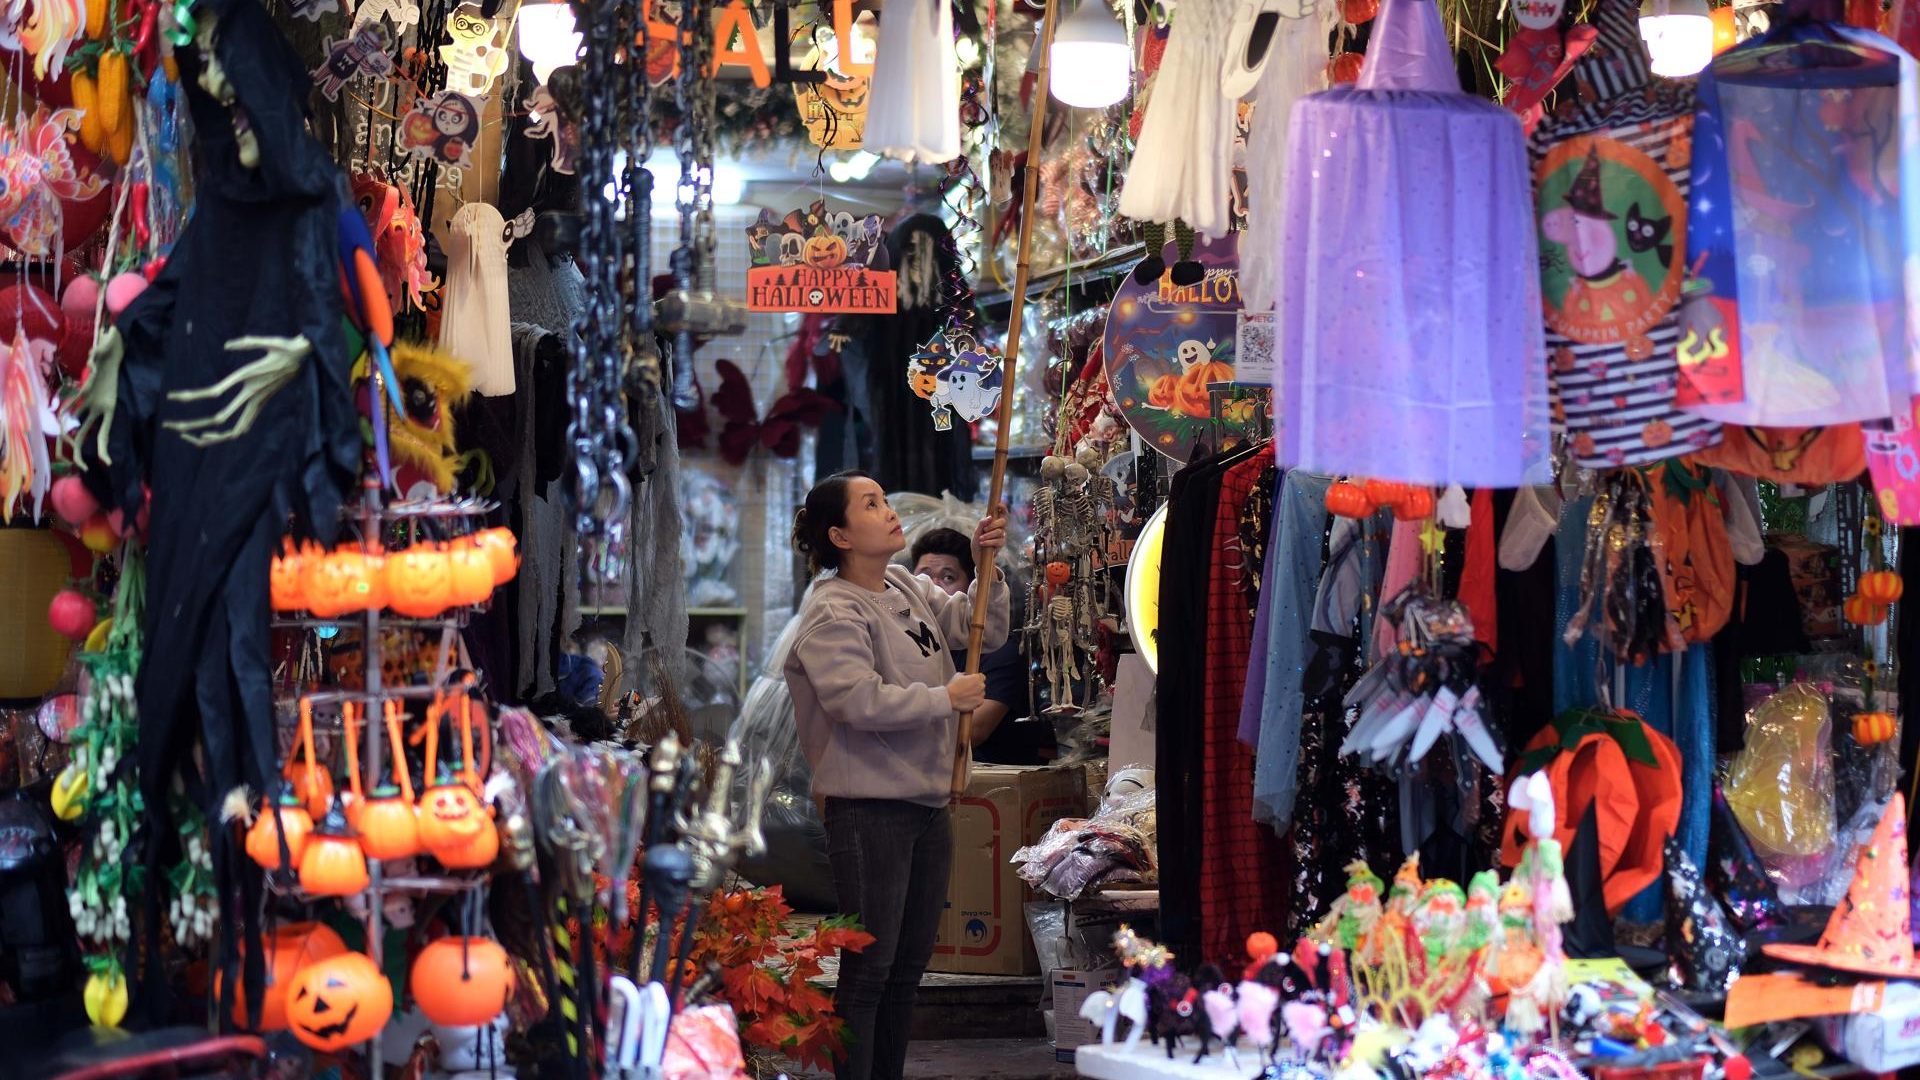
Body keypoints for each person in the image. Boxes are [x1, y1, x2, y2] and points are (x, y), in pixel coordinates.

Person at [784, 472, 1009, 1080]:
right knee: (870, 969)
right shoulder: (831, 610)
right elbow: (856, 702)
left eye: (883, 500)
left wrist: (990, 564)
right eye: (871, 504)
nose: (887, 511)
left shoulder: (905, 584)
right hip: (869, 809)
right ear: (839, 536)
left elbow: (979, 628)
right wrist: (946, 698)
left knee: (908, 967)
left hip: (928, 799)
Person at [908, 527, 1054, 764]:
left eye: (948, 577)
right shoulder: (914, 642)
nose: (932, 588)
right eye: (923, 578)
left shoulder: (1001, 651)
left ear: (971, 588)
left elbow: (971, 732)